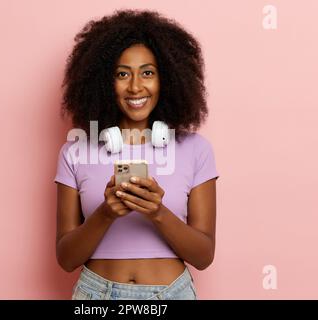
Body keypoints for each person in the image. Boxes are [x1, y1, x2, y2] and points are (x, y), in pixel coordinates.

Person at [54, 9, 219, 300]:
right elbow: (66, 259)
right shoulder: (75, 151)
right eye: (122, 74)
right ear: (104, 82)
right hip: (96, 296)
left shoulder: (196, 149)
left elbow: (204, 256)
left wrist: (157, 212)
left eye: (148, 72)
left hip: (171, 295)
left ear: (166, 79)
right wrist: (105, 214)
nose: (135, 86)